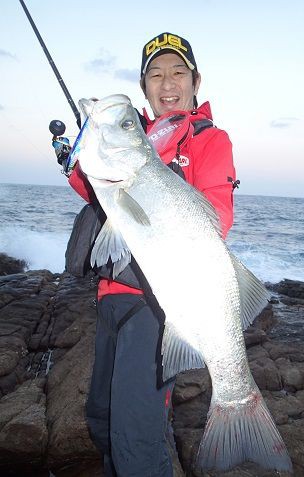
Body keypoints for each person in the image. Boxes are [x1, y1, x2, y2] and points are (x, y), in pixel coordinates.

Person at [56, 32, 236, 477]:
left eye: (178, 71)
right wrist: (81, 162)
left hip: (159, 304)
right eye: (155, 74)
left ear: (196, 81)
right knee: (103, 419)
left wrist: (137, 168)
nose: (167, 81)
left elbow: (217, 218)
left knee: (136, 436)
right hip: (111, 298)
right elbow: (102, 197)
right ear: (144, 87)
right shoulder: (135, 141)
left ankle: (236, 400)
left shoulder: (210, 141)